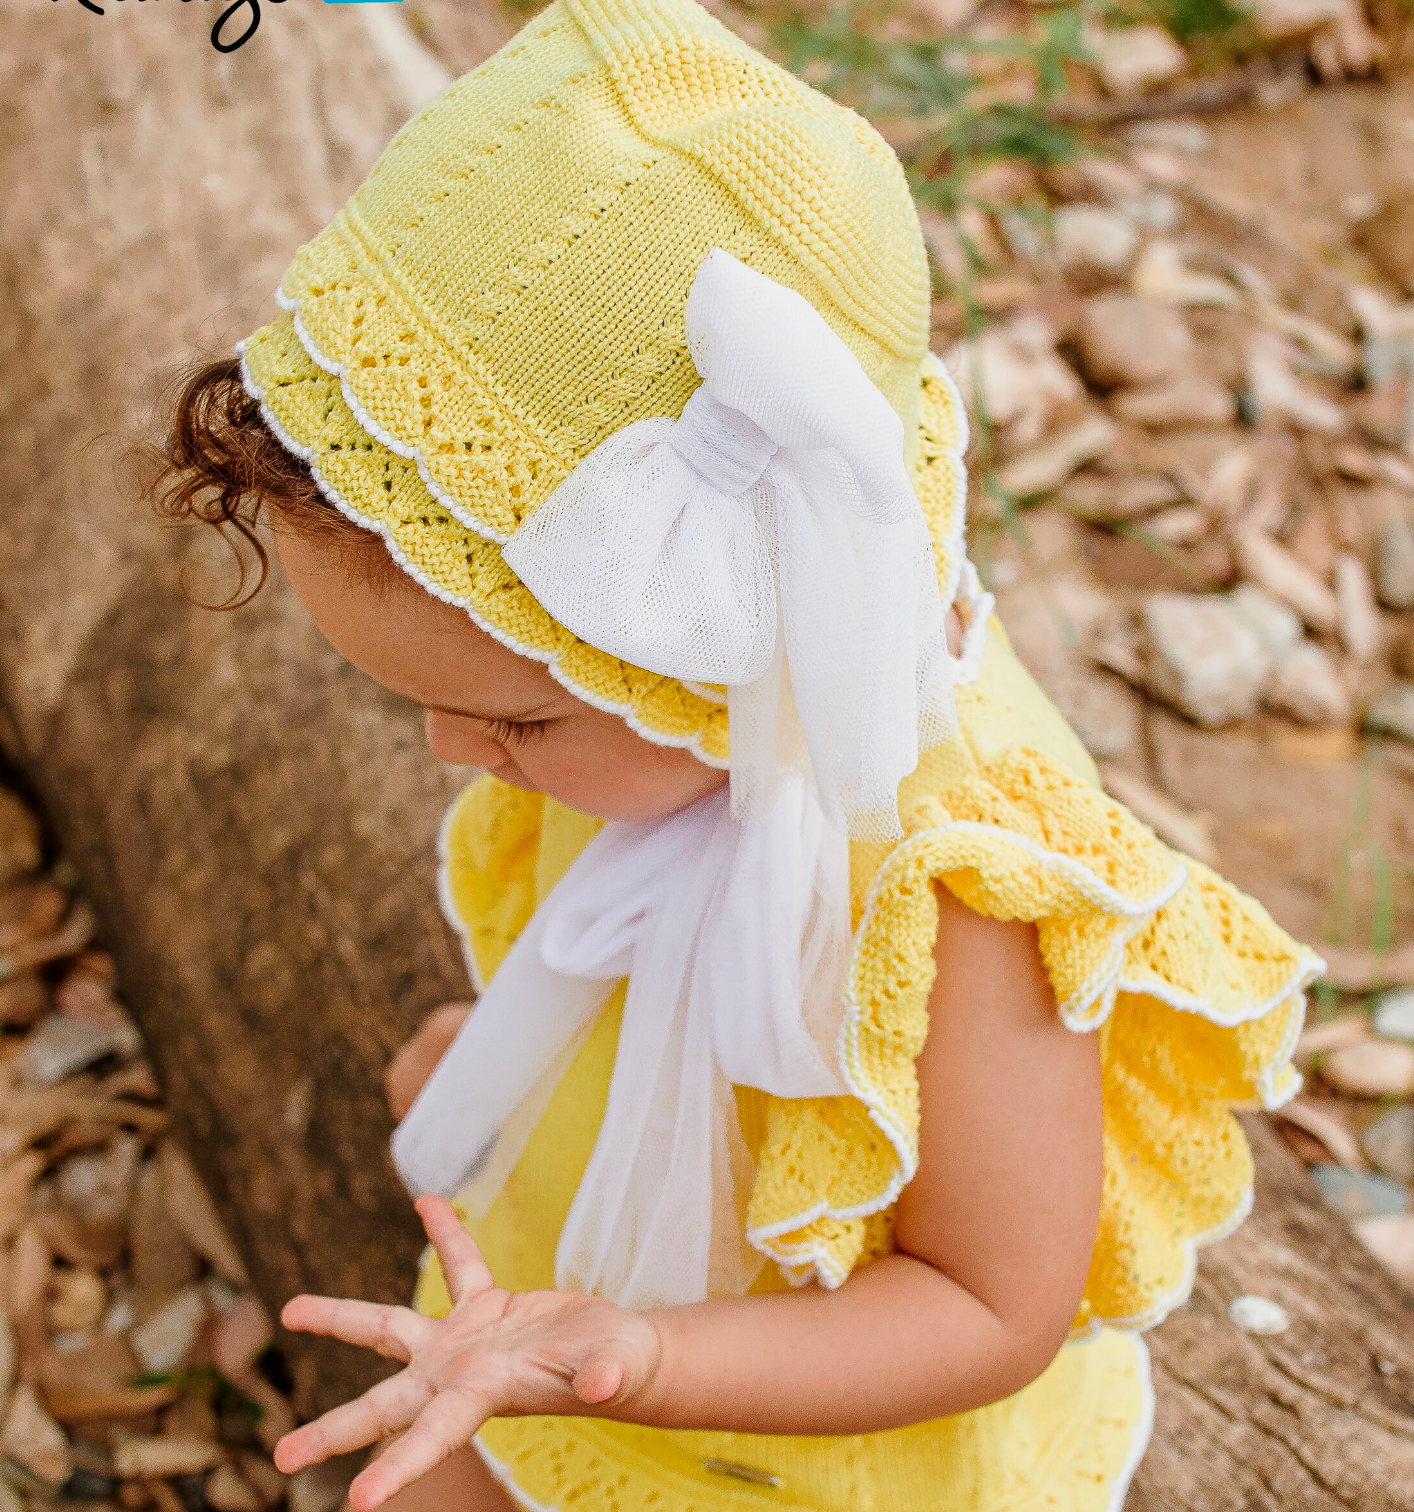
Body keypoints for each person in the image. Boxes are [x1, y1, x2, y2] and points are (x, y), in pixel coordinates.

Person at [151, 2, 1322, 1507]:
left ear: (716, 647)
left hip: (810, 1427)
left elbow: (989, 1303)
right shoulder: (688, 732)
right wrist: (518, 1063)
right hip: (569, 1314)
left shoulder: (964, 892)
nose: (454, 753)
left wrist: (634, 1354)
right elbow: (660, 920)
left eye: (515, 721)